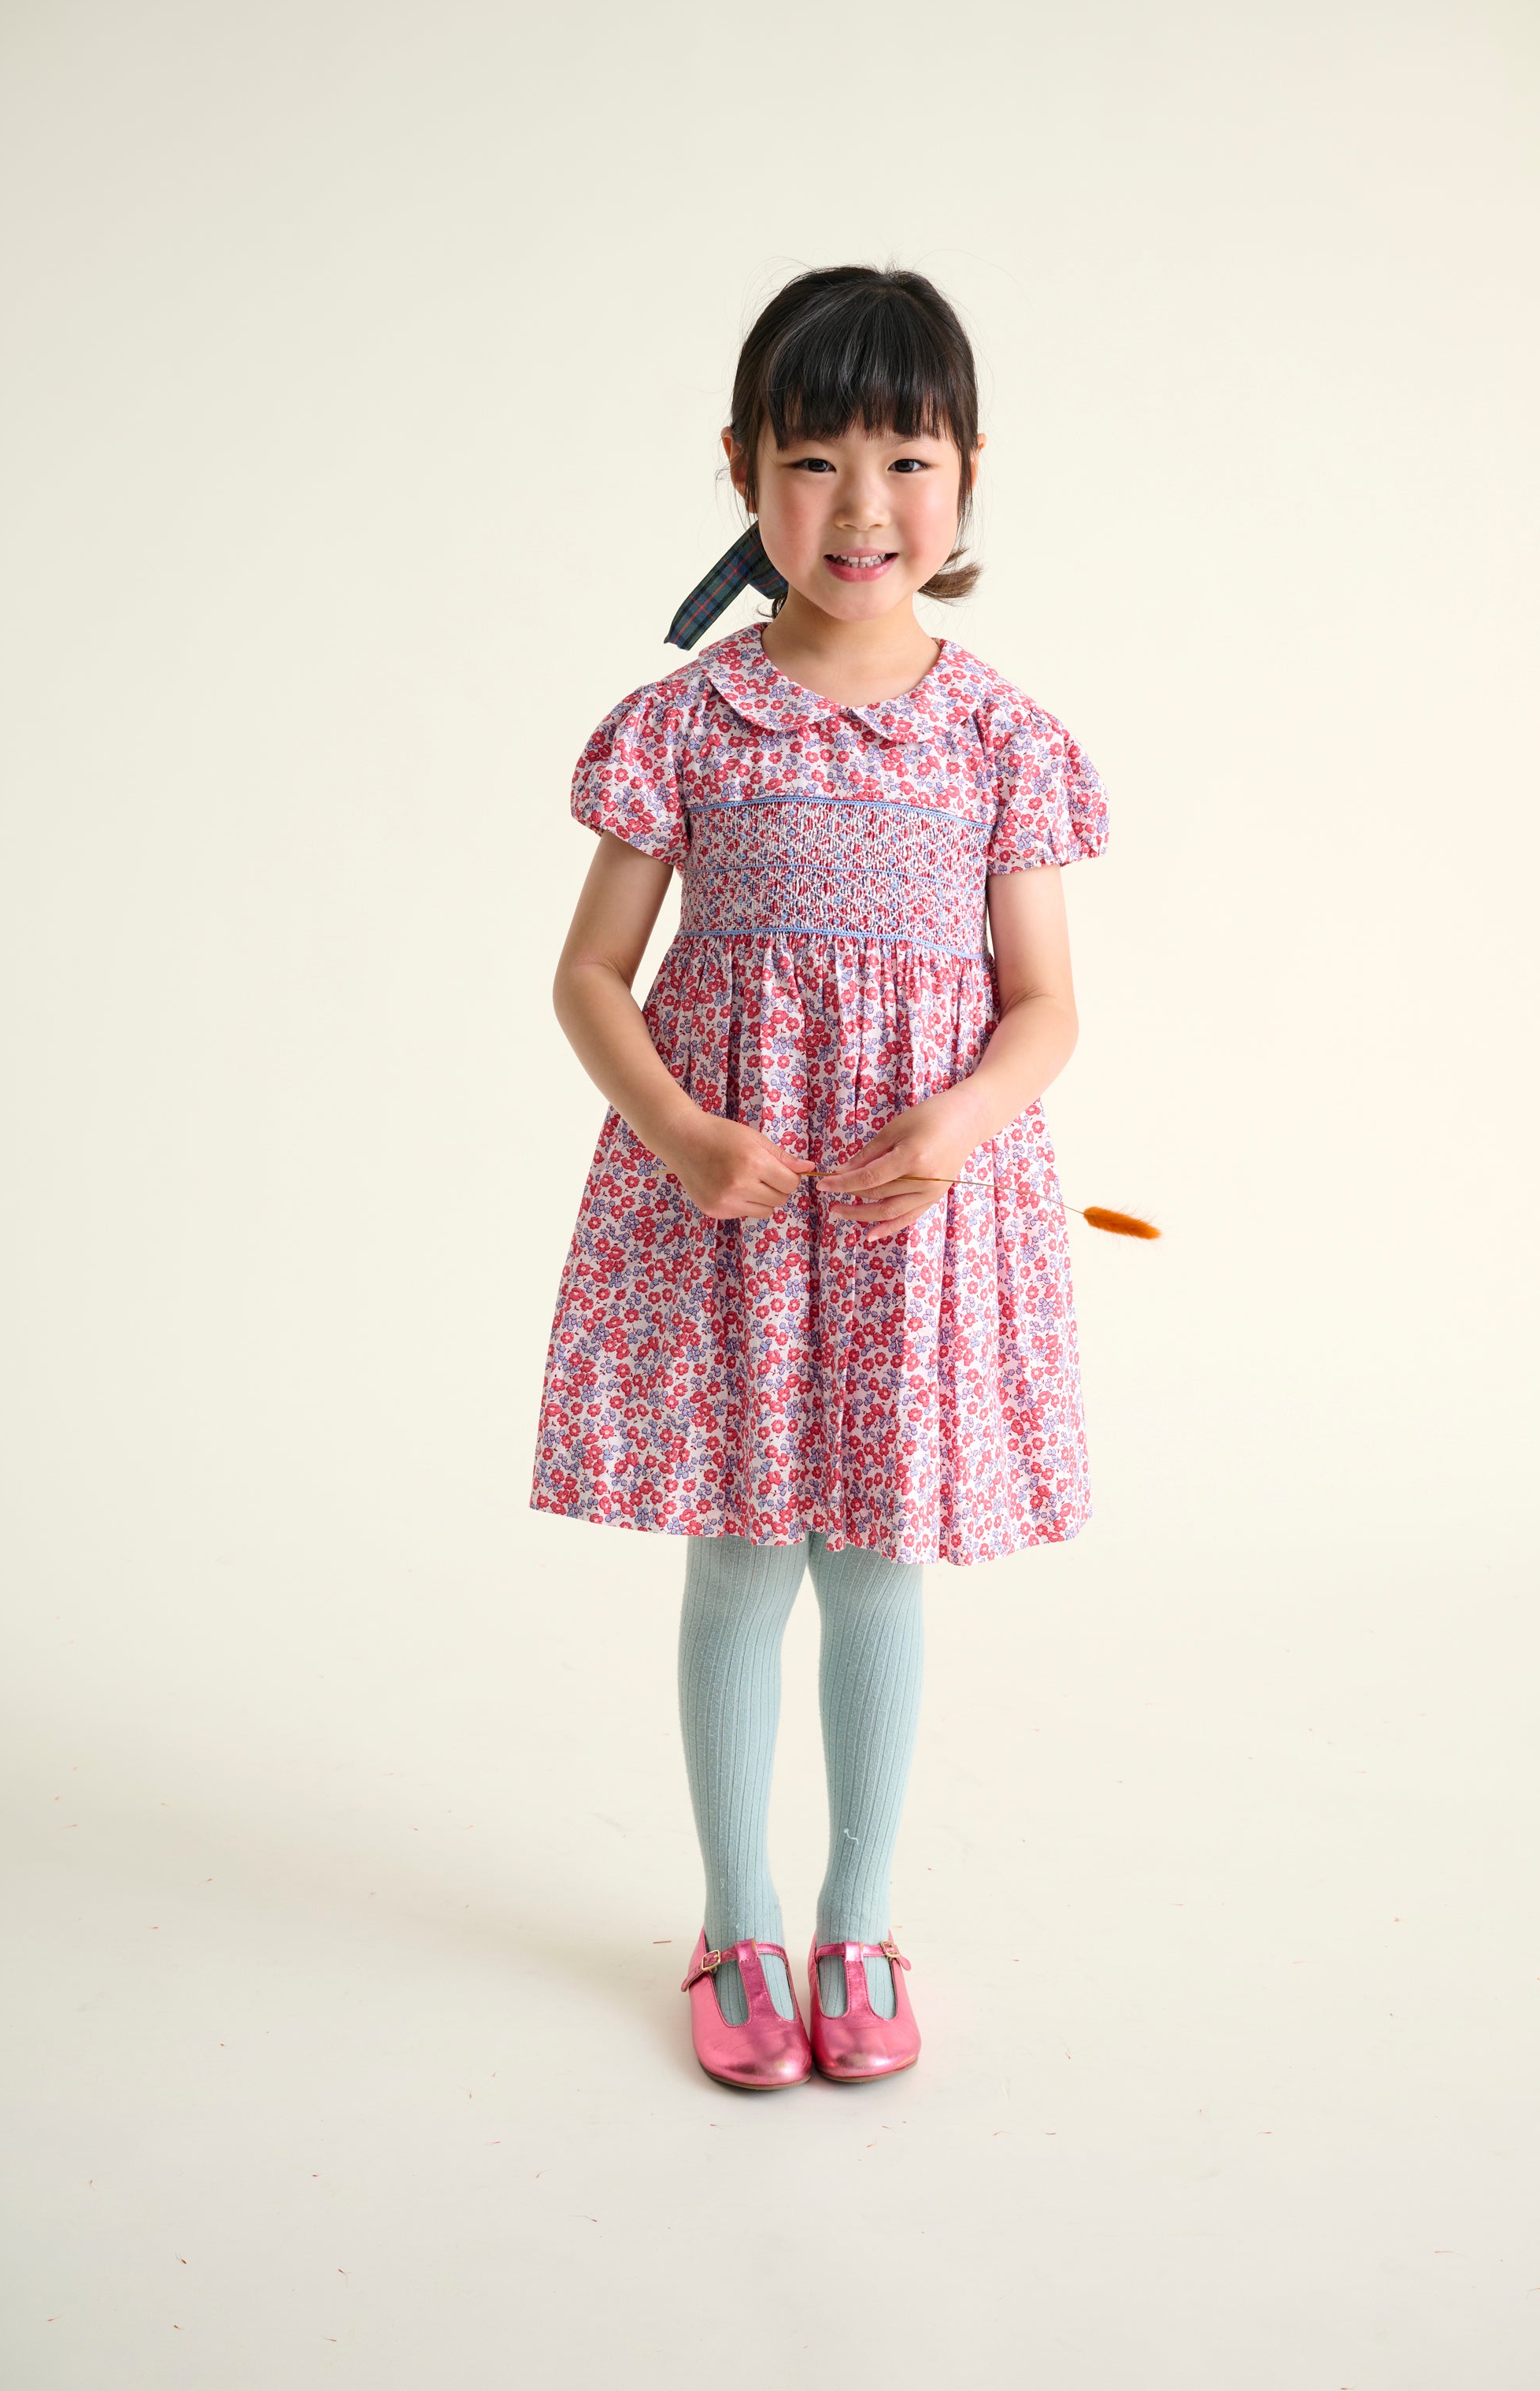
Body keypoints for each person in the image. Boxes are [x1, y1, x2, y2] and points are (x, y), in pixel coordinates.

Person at [530, 265, 1110, 2089]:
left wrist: (955, 1126)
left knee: (873, 1570)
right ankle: (735, 1925)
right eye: (812, 459)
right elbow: (587, 977)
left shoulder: (999, 732)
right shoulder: (689, 723)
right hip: (732, 1209)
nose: (862, 506)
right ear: (740, 471)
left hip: (908, 1216)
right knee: (739, 1566)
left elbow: (1044, 1007)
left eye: (906, 458)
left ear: (966, 476)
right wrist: (685, 1133)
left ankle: (858, 1923)